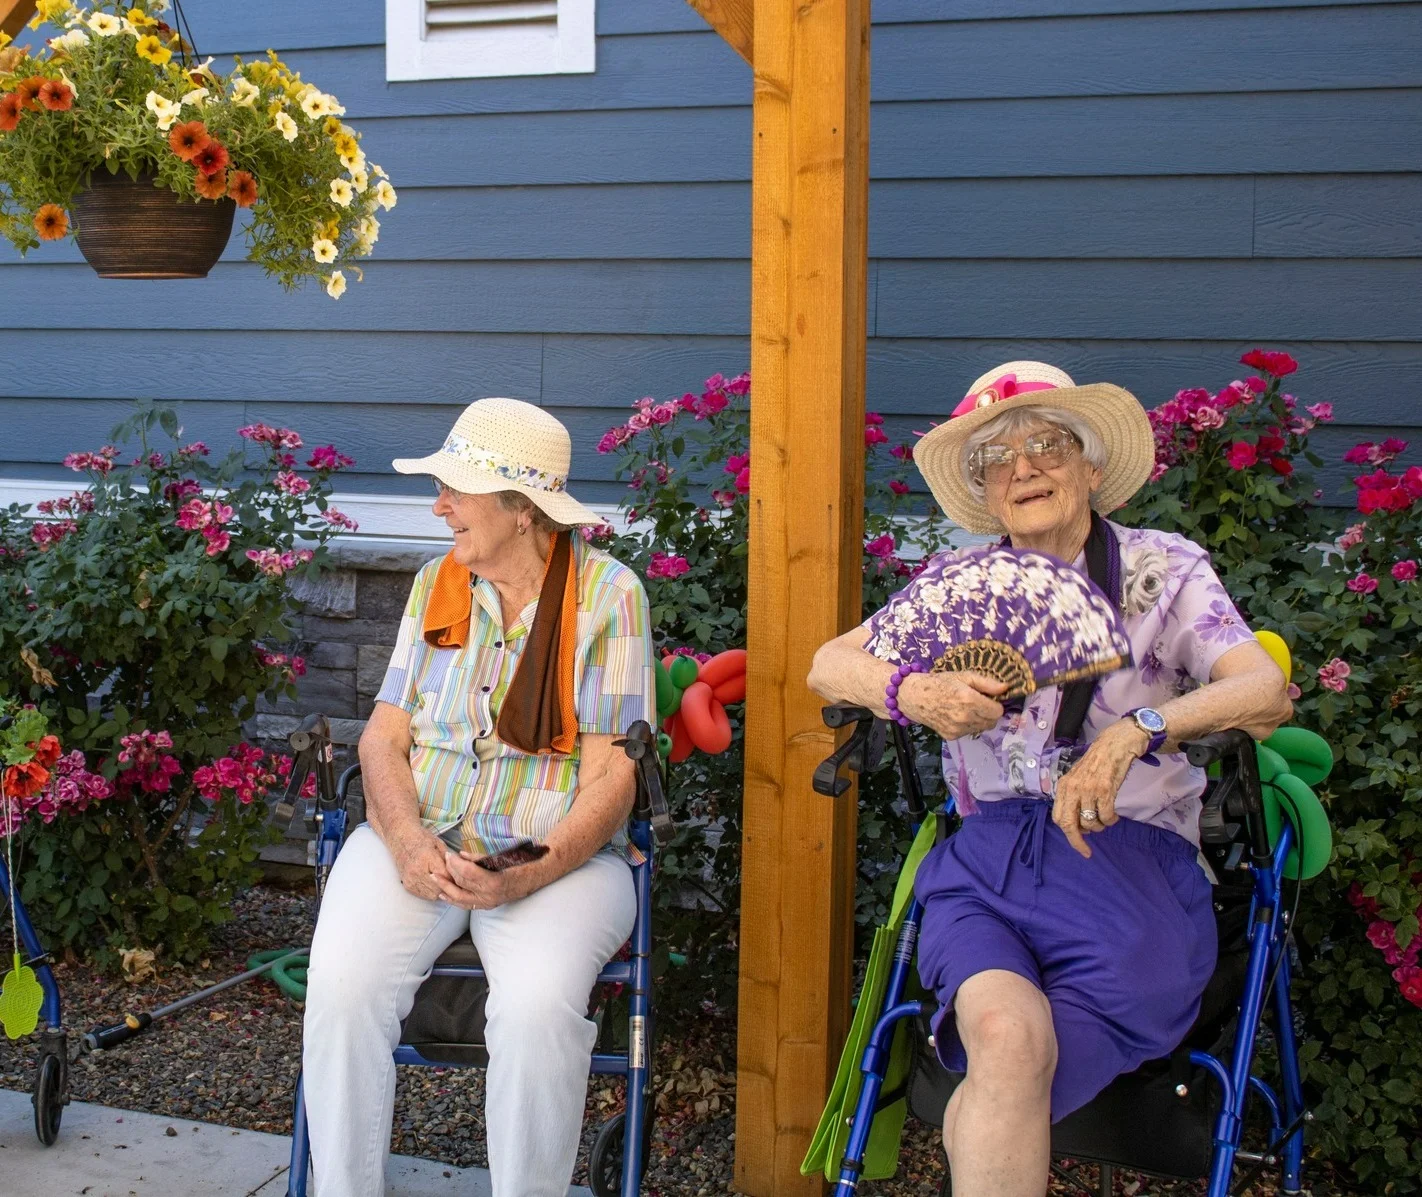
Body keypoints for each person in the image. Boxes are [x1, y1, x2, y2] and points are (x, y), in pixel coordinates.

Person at [807, 361, 1292, 1196]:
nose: (1025, 466)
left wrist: (1139, 730)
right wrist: (915, 692)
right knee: (1005, 1036)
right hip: (986, 866)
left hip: (1127, 866)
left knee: (1006, 1082)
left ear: (1091, 469)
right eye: (1000, 455)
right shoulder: (957, 589)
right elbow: (827, 665)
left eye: (1048, 444)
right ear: (986, 491)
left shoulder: (1162, 570)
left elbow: (1265, 691)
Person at [302, 398, 655, 1197]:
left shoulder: (609, 596)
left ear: (522, 510)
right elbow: (381, 741)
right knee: (342, 984)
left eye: (457, 488)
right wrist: (404, 839)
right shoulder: (438, 583)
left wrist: (519, 871)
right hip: (419, 838)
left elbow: (612, 780)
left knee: (535, 1011)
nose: (439, 505)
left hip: (553, 856)